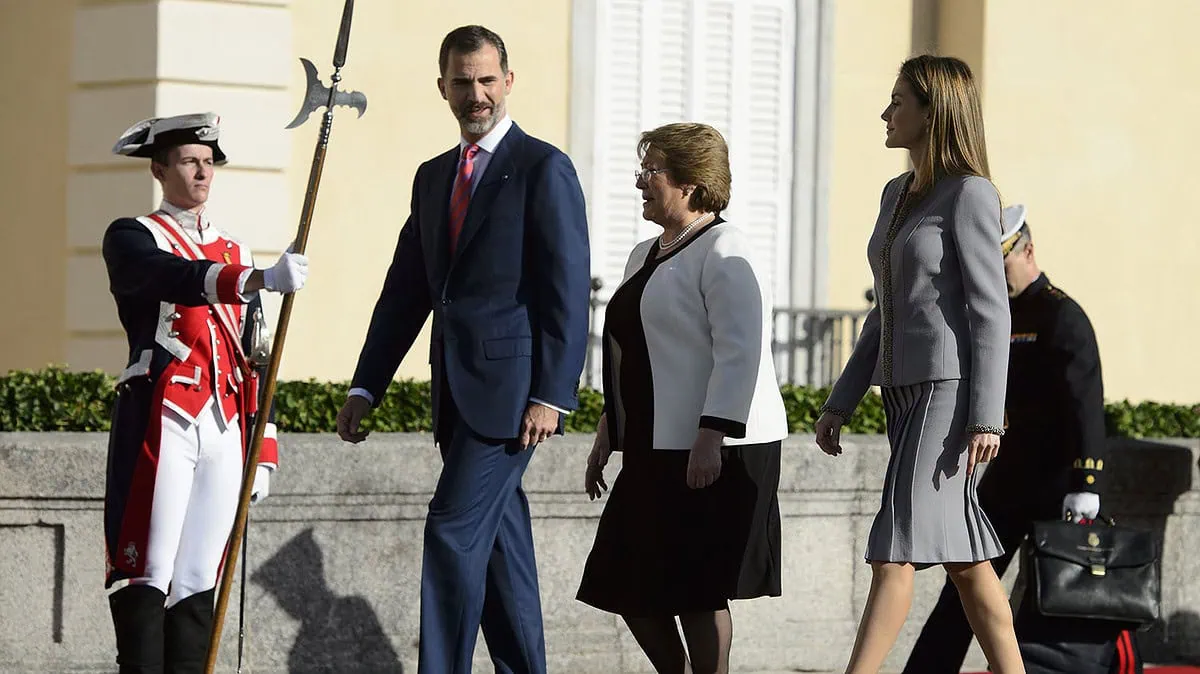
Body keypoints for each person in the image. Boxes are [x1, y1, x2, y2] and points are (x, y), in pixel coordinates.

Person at [334, 25, 591, 674]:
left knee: (450, 533)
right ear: (442, 86)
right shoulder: (432, 177)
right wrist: (367, 385)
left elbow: (566, 291)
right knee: (501, 552)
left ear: (508, 81)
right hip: (455, 397)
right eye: (462, 81)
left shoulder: (543, 168)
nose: (475, 94)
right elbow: (406, 291)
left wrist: (553, 394)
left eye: (486, 80)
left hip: (512, 402)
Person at [812, 55, 1025, 674]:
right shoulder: (895, 194)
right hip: (902, 392)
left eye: (898, 101)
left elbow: (992, 312)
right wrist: (841, 400)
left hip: (948, 395)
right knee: (964, 561)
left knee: (896, 546)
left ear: (933, 113)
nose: (886, 112)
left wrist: (987, 417)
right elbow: (886, 308)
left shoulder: (971, 193)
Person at [575, 122, 789, 674]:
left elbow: (739, 351)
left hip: (713, 445)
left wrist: (709, 437)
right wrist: (607, 431)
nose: (641, 183)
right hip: (652, 442)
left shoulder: (723, 246)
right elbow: (636, 354)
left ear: (690, 183)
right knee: (623, 580)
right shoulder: (644, 254)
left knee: (696, 588)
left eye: (652, 172)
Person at [102, 111, 309, 672]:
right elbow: (173, 277)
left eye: (208, 162)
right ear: (159, 169)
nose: (202, 172)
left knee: (199, 579)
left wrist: (262, 448)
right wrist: (257, 279)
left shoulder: (235, 250)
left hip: (224, 425)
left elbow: (257, 358)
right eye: (190, 161)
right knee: (148, 571)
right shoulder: (133, 236)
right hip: (164, 415)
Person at [902, 204, 1138, 674]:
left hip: (1056, 487)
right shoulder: (993, 316)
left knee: (1051, 595)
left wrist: (1087, 483)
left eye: (1002, 261)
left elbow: (1084, 405)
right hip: (1008, 481)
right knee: (965, 586)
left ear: (1027, 249)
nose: (996, 274)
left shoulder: (1061, 315)